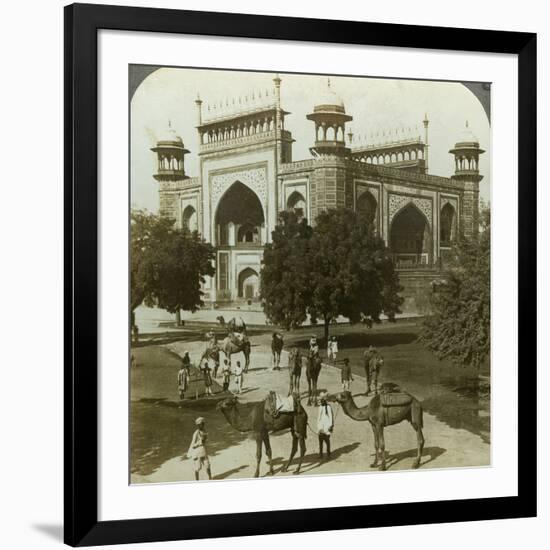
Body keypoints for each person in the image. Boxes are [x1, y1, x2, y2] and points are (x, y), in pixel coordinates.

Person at [317, 391, 334, 459]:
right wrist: (319, 427)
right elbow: (319, 417)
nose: (322, 401)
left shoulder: (329, 407)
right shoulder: (320, 407)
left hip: (327, 426)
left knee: (327, 441)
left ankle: (328, 453)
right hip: (321, 426)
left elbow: (331, 417)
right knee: (320, 441)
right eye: (321, 400)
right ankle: (320, 454)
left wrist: (330, 426)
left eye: (323, 400)